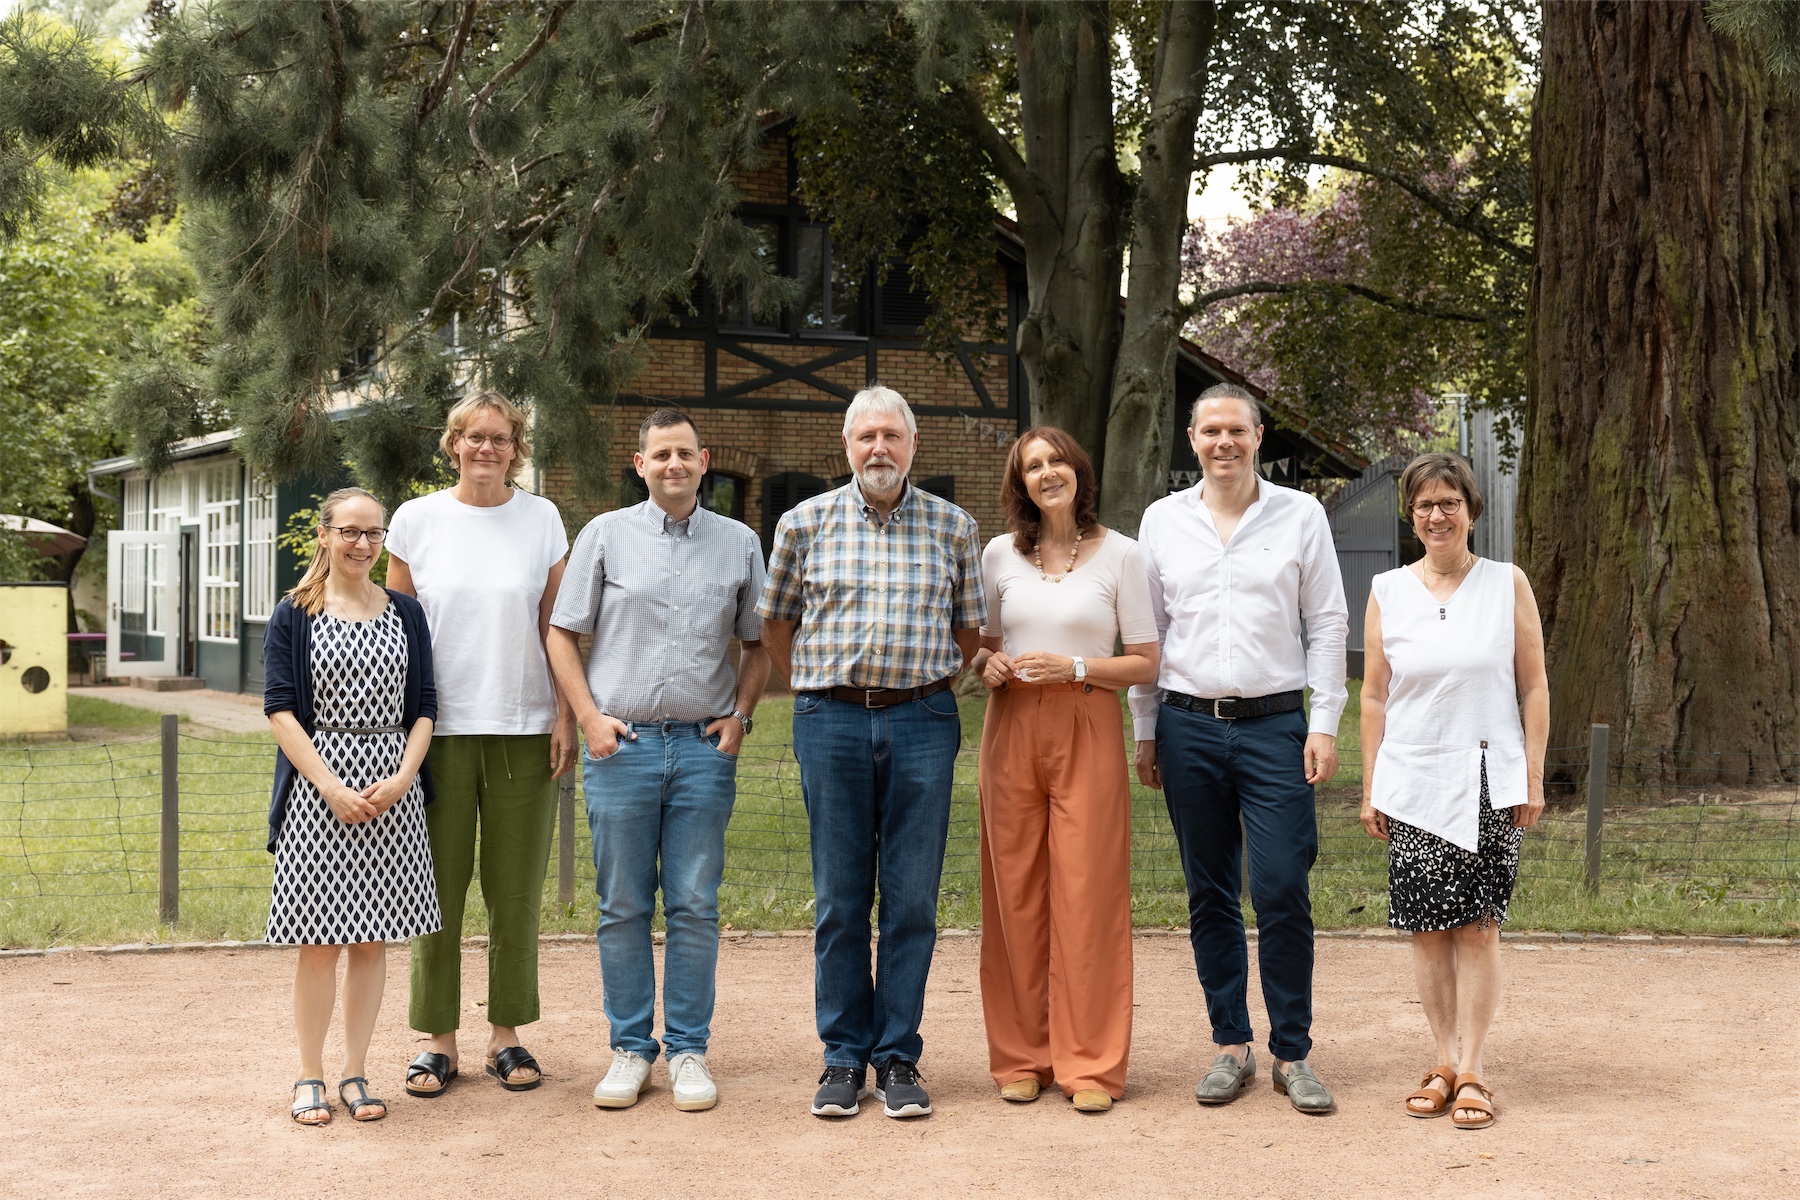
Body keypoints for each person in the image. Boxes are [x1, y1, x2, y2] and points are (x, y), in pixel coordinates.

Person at [759, 385, 984, 1121]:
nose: (880, 449)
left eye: (892, 435)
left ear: (913, 446)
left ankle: (896, 1056)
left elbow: (971, 632)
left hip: (923, 718)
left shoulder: (954, 528)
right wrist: (818, 692)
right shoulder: (804, 523)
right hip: (832, 721)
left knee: (913, 898)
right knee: (841, 898)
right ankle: (841, 1056)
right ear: (847, 448)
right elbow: (777, 626)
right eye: (867, 438)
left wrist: (921, 687)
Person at [1130, 382, 1349, 1115]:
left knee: (1282, 884)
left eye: (1238, 430)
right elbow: (1149, 637)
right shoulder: (1162, 522)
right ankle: (1232, 1045)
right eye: (1210, 430)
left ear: (1259, 436)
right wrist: (1146, 729)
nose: (1224, 442)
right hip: (1188, 724)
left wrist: (1324, 724)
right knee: (1210, 892)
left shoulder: (1301, 516)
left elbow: (1326, 624)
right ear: (1191, 440)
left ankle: (1294, 1052)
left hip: (1275, 727)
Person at [547, 409, 771, 1113]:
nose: (674, 464)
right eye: (660, 454)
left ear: (705, 462)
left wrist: (740, 717)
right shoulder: (605, 535)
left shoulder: (739, 543)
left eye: (685, 454)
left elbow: (759, 645)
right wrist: (588, 719)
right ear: (639, 464)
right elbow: (562, 635)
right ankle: (630, 1050)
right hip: (624, 748)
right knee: (621, 906)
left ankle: (688, 1051)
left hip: (703, 750)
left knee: (696, 906)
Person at [384, 390, 575, 1098]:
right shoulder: (416, 521)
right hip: (433, 736)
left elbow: (557, 626)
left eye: (500, 438)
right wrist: (397, 733)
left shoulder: (543, 520)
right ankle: (437, 1042)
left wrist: (565, 715)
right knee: (434, 891)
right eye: (473, 437)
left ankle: (508, 1036)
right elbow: (395, 632)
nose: (486, 449)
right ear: (453, 444)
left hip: (525, 729)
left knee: (516, 892)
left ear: (516, 447)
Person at [973, 427, 1160, 1113]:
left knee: (1088, 894)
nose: (1047, 473)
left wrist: (1078, 665)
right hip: (1012, 726)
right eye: (1033, 466)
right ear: (1020, 483)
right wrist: (987, 665)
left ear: (1079, 471)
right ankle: (1022, 1055)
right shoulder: (998, 555)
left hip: (1086, 722)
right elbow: (986, 647)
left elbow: (1145, 661)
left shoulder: (1123, 555)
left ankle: (1091, 1065)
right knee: (1013, 892)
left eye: (1057, 461)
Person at [1359, 452, 1548, 1130]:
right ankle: (1440, 1060)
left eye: (1449, 502)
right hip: (1412, 780)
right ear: (1411, 515)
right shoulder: (1387, 589)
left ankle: (1474, 1069)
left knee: (1477, 928)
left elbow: (1533, 685)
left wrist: (1532, 776)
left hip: (1488, 780)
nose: (1437, 514)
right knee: (1427, 931)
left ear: (1471, 509)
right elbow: (1375, 695)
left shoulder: (1506, 584)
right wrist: (1372, 785)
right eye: (1424, 505)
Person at [263, 486, 441, 1126]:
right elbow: (280, 710)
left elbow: (425, 706)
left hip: (394, 788)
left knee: (371, 942)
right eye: (350, 531)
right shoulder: (294, 613)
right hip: (320, 790)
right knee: (318, 942)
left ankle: (355, 1072)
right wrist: (331, 788)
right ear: (325, 534)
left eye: (373, 533)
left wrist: (401, 779)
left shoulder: (406, 612)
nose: (362, 544)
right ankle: (309, 1073)